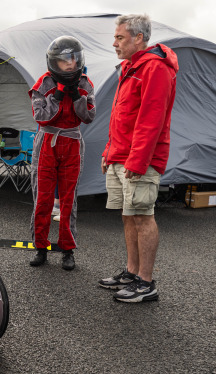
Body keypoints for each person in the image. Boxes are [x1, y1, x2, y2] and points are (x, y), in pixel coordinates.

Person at [99, 14, 178, 302]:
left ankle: (146, 282)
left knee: (143, 216)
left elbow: (151, 120)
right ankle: (132, 273)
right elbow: (121, 116)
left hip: (140, 160)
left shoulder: (155, 68)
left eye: (120, 37)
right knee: (128, 215)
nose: (114, 43)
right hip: (121, 155)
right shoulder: (130, 67)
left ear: (138, 38)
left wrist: (137, 160)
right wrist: (110, 150)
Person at [28, 35, 96, 271]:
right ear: (54, 62)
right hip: (47, 142)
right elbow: (41, 117)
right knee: (43, 199)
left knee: (68, 200)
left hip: (72, 143)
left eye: (74, 58)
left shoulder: (85, 84)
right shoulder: (42, 85)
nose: (70, 63)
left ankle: (67, 250)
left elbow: (88, 117)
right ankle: (40, 247)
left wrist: (78, 97)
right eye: (65, 59)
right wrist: (56, 97)